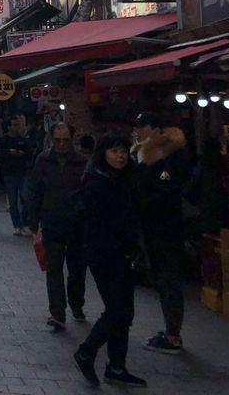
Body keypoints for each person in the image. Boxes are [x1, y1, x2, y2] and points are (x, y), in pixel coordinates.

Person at [73, 133, 146, 388]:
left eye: (123, 151)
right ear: (102, 153)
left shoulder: (126, 180)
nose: (120, 156)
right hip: (104, 255)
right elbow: (96, 224)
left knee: (125, 313)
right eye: (114, 151)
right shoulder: (96, 183)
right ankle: (86, 351)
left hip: (125, 254)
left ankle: (116, 366)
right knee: (116, 310)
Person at [132, 112, 191, 355]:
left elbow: (164, 194)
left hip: (166, 231)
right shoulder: (143, 153)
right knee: (162, 280)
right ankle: (170, 331)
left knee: (169, 282)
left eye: (142, 127)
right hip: (152, 231)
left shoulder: (169, 158)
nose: (138, 132)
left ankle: (173, 336)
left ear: (156, 130)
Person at [25, 121, 89, 331]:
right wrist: (33, 221)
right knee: (54, 269)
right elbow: (34, 190)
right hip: (52, 222)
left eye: (65, 140)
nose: (61, 144)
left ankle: (77, 304)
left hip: (77, 224)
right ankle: (58, 312)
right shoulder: (43, 160)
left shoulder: (81, 162)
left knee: (77, 269)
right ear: (52, 139)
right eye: (58, 140)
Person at [0, 117, 34, 235]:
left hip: (22, 173)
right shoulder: (4, 140)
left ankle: (25, 222)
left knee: (26, 198)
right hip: (9, 174)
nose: (17, 127)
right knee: (13, 202)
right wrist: (9, 152)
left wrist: (22, 154)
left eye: (18, 125)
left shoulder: (22, 140)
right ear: (9, 127)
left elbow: (29, 154)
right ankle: (17, 225)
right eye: (14, 124)